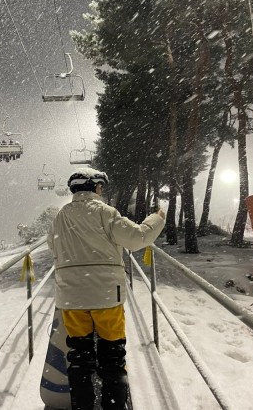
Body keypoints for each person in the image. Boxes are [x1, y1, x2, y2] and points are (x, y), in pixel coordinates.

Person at [47, 168, 165, 410]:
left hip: (72, 298)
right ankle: (114, 405)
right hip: (106, 296)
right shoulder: (105, 212)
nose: (102, 191)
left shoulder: (59, 217)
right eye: (101, 187)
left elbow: (53, 246)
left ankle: (83, 405)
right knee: (112, 356)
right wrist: (157, 218)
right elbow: (137, 238)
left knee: (79, 358)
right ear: (95, 186)